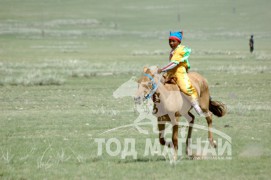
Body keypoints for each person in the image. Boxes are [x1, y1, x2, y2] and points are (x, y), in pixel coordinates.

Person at [157, 31, 204, 116]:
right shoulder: (173, 50)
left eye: (173, 41)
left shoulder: (179, 50)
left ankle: (195, 104)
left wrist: (163, 69)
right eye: (170, 41)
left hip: (179, 71)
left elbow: (174, 63)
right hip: (171, 71)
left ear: (179, 42)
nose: (171, 43)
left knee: (184, 86)